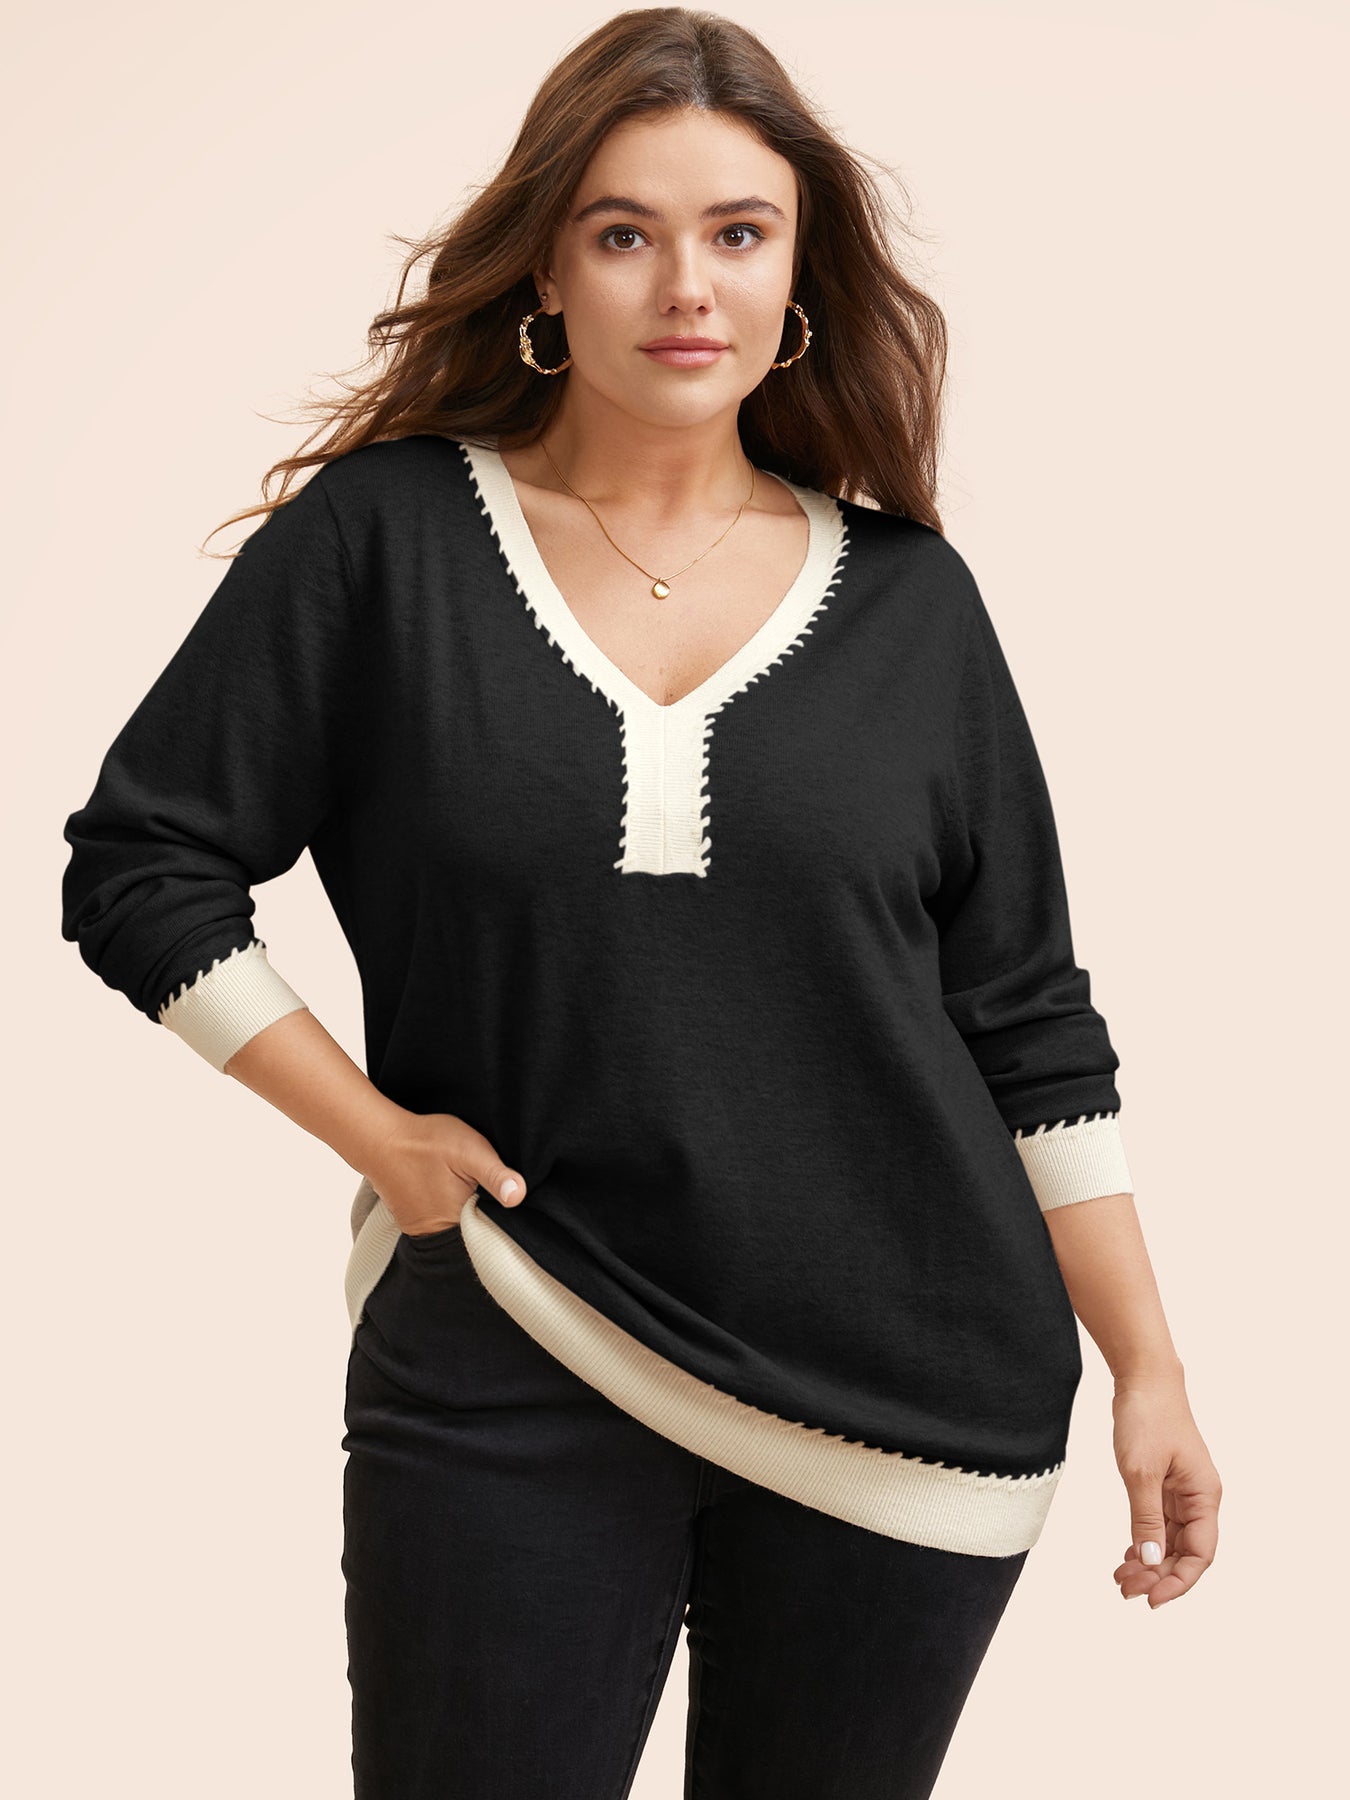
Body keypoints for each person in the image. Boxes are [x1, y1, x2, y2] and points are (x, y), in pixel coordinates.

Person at [59, 8, 1222, 1796]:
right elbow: (141, 861)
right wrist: (378, 1138)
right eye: (625, 233)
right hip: (512, 1337)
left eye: (738, 233)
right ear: (548, 268)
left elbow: (1022, 1014)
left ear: (795, 274)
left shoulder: (911, 604)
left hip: (906, 1393)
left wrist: (1145, 1363)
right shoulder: (382, 545)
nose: (687, 286)